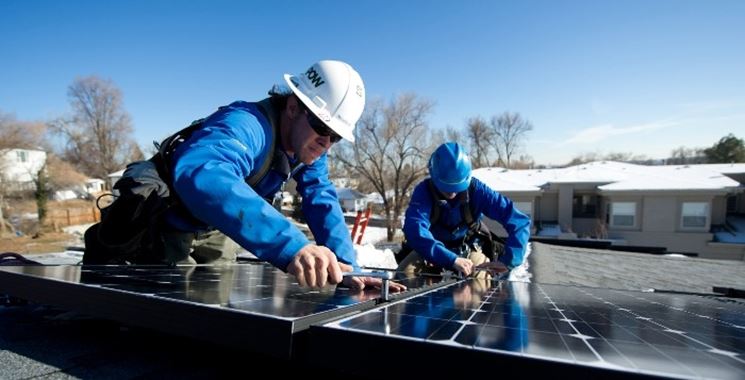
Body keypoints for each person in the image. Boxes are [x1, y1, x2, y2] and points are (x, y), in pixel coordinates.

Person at [84, 59, 405, 292]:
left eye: (335, 136)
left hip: (214, 227)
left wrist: (349, 267)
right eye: (322, 127)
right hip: (171, 221)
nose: (327, 143)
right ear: (293, 106)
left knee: (215, 310)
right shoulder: (245, 125)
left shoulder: (307, 148)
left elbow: (322, 199)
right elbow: (205, 174)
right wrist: (292, 246)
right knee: (172, 314)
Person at [397, 142, 531, 277]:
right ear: (434, 177)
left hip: (467, 247)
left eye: (457, 187)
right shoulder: (424, 191)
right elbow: (414, 229)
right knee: (405, 274)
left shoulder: (478, 191)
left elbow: (519, 221)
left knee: (480, 280)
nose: (452, 194)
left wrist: (509, 261)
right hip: (429, 249)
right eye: (446, 187)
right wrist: (450, 259)